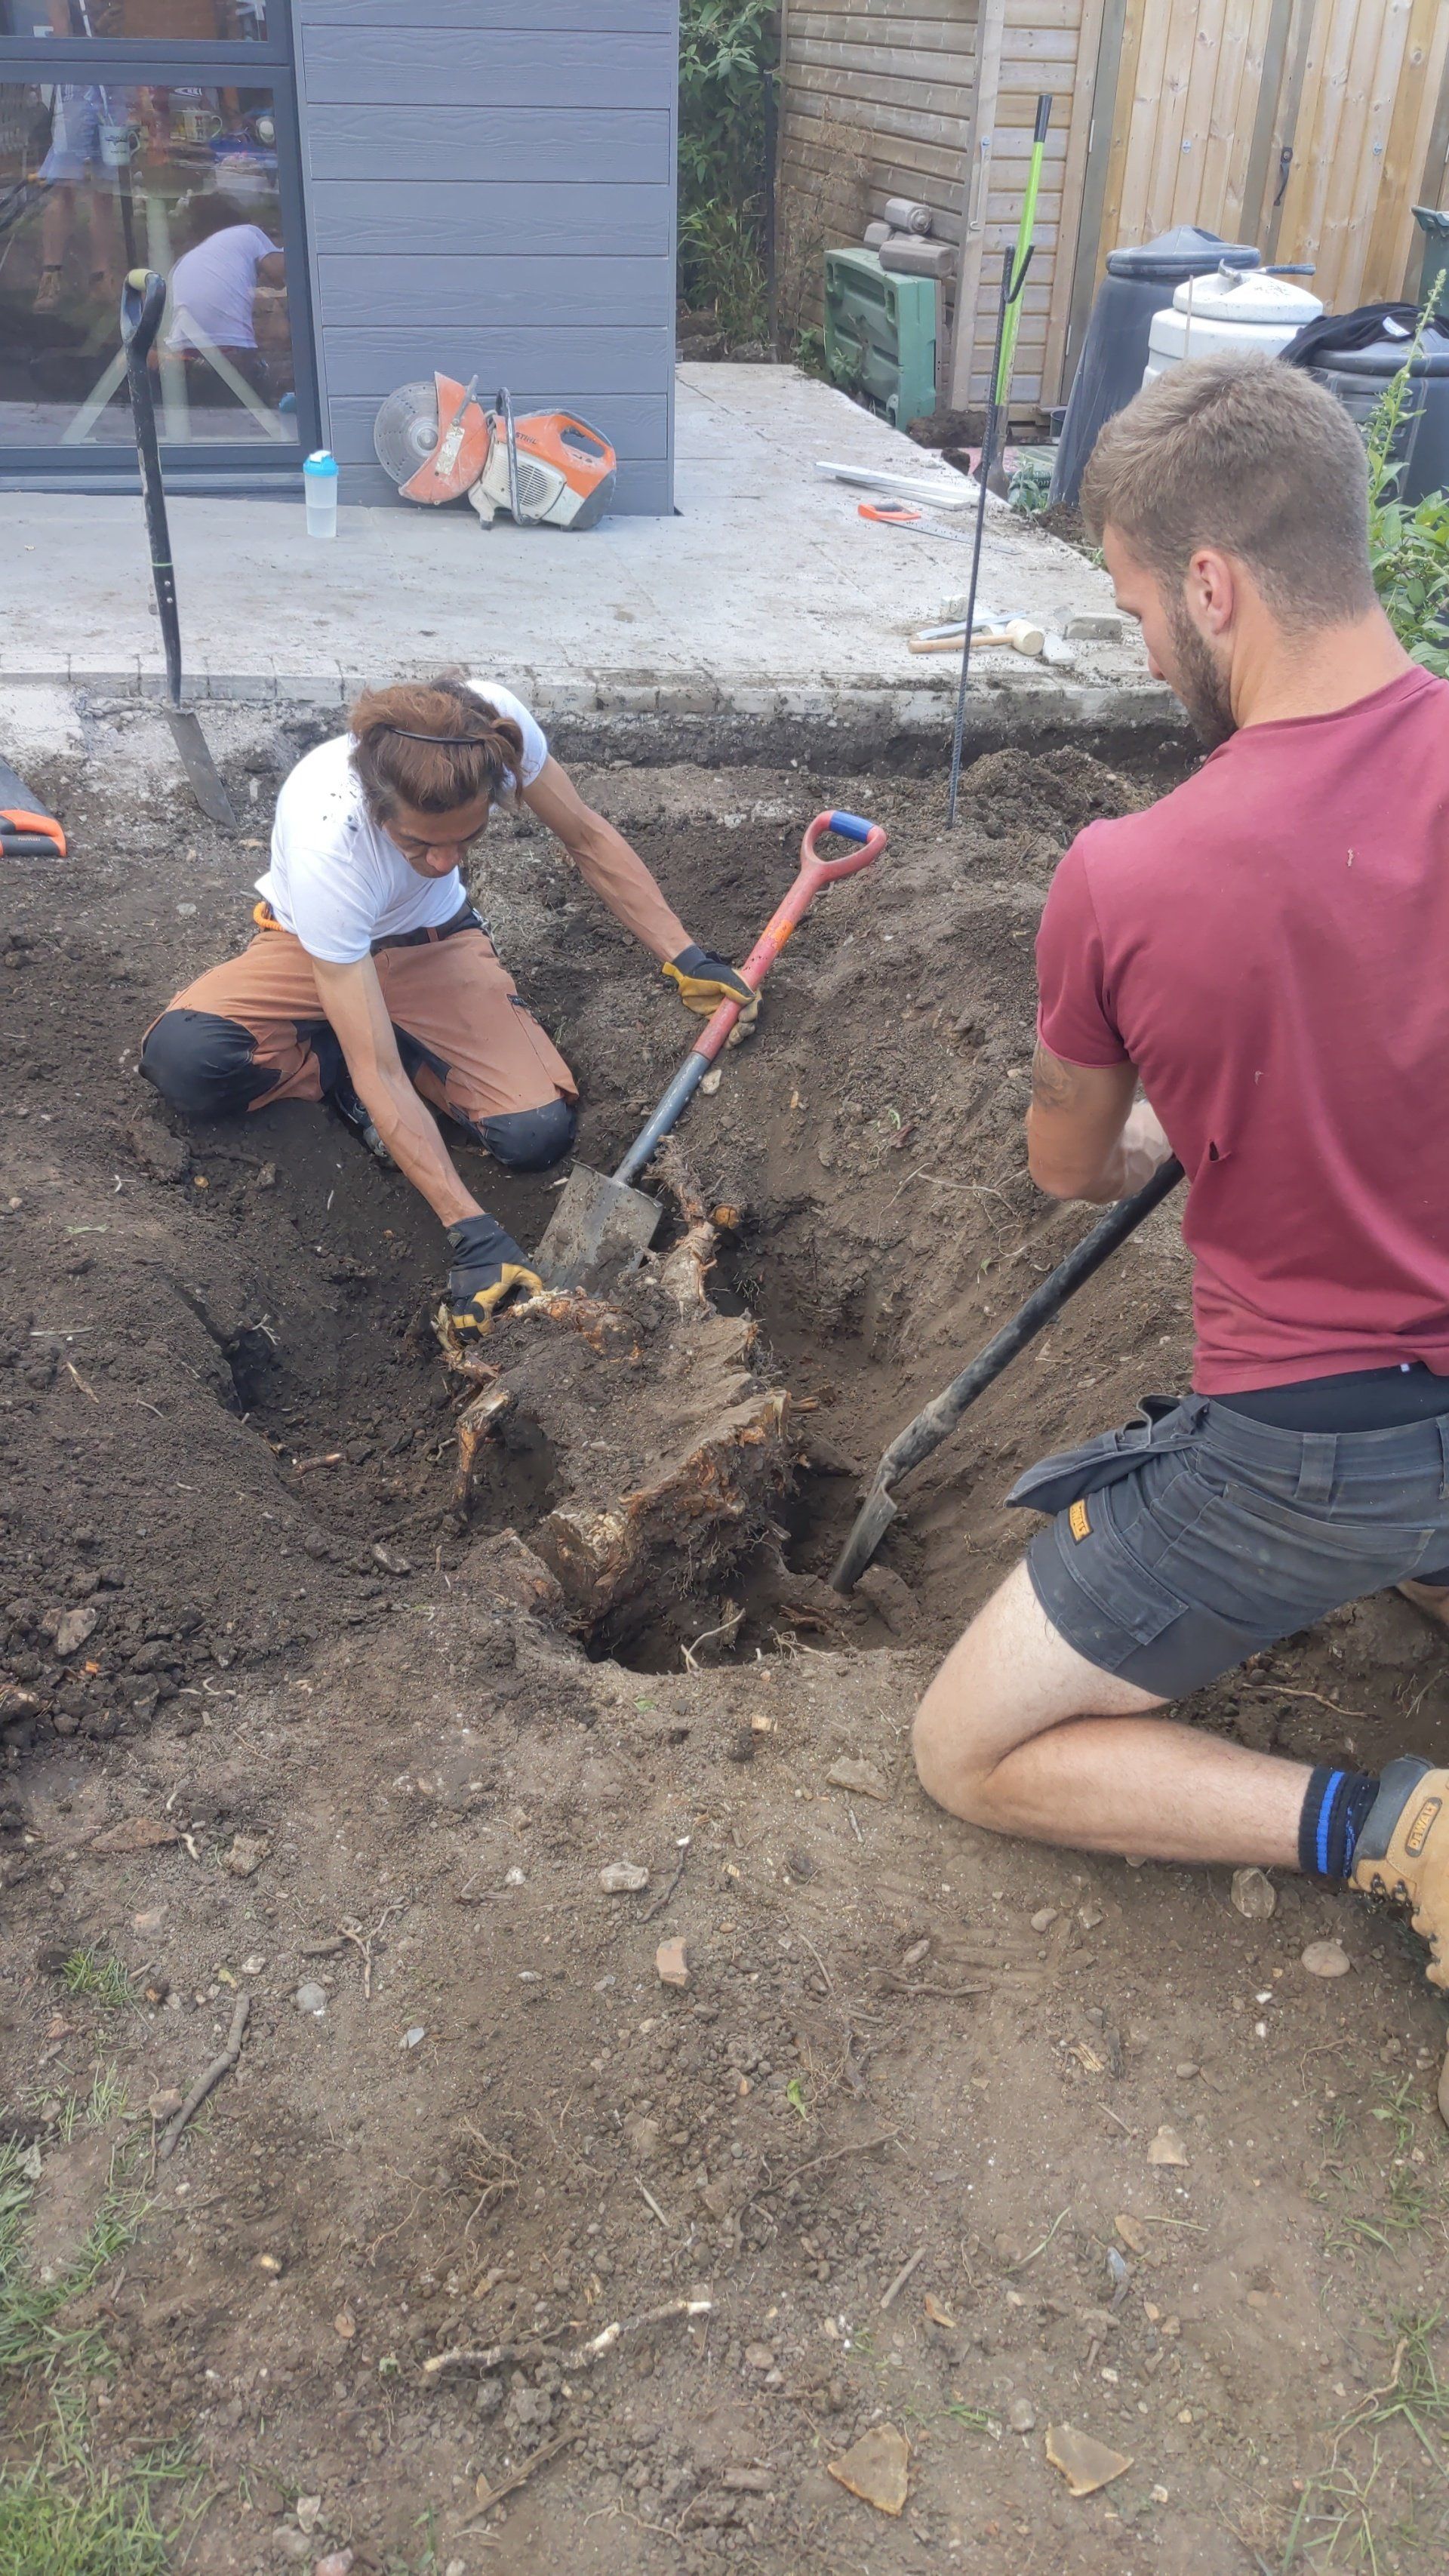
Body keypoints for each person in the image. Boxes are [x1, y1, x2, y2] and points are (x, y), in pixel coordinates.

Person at [912, 357, 1449, 2005]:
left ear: (1213, 584)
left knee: (965, 1747)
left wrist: (1184, 1118)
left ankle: (1393, 1825)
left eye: (1141, 606)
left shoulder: (1129, 876)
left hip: (1319, 1452)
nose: (1148, 648)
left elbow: (1069, 1162)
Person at [140, 678, 755, 1338]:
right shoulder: (331, 840)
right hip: (316, 952)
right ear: (378, 809)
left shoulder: (492, 731)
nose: (443, 860)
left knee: (534, 1136)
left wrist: (685, 955)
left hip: (433, 944)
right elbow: (377, 1067)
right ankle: (335, 1063)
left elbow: (584, 834)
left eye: (466, 840)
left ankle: (386, 1051)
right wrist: (472, 1230)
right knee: (190, 1060)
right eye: (419, 846)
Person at [165, 192, 285, 401]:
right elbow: (282, 273)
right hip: (231, 355)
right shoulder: (248, 233)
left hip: (182, 359)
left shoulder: (182, 264)